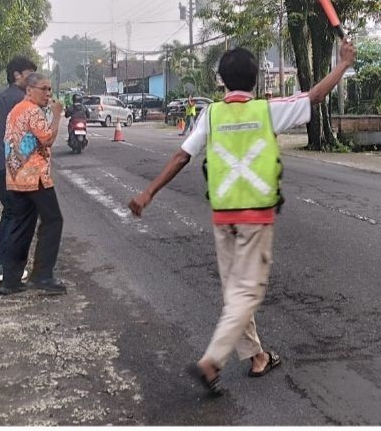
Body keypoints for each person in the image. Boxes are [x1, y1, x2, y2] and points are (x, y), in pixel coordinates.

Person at [127, 39, 357, 396]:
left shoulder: (212, 114)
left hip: (223, 219)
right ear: (255, 79)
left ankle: (257, 355)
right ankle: (212, 360)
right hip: (255, 216)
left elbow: (180, 157)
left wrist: (149, 192)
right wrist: (342, 64)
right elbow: (313, 96)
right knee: (247, 293)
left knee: (236, 292)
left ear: (221, 80)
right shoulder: (268, 111)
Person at [0, 72, 66, 296]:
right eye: (43, 89)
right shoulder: (32, 111)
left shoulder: (15, 110)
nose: (48, 94)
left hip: (16, 175)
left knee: (21, 226)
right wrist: (56, 116)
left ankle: (10, 281)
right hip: (35, 176)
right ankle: (42, 275)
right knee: (53, 220)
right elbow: (47, 139)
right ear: (29, 90)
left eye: (50, 90)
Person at [0, 56, 37, 282]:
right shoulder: (23, 101)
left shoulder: (0, 99)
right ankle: (6, 267)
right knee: (19, 216)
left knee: (10, 213)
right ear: (17, 75)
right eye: (29, 74)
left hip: (0, 163)